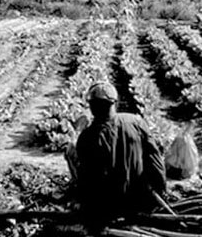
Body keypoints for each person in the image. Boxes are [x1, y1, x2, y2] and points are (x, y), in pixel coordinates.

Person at [65, 82, 166, 229]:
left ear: (92, 106)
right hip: (139, 200)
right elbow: (156, 162)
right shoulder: (136, 122)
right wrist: (160, 193)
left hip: (108, 207)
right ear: (115, 103)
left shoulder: (87, 137)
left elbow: (86, 181)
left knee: (70, 153)